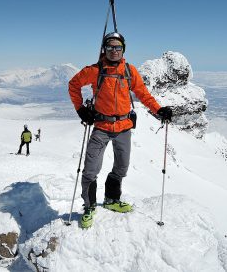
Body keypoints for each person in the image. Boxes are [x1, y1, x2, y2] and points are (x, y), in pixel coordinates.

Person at [68, 32, 172, 228]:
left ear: (123, 49)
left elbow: (143, 94)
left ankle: (111, 200)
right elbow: (73, 85)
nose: (114, 51)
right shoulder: (95, 70)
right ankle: (89, 206)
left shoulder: (129, 71)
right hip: (101, 126)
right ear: (104, 49)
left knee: (122, 167)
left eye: (118, 47)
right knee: (91, 169)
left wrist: (159, 110)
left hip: (124, 126)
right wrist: (80, 109)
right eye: (110, 47)